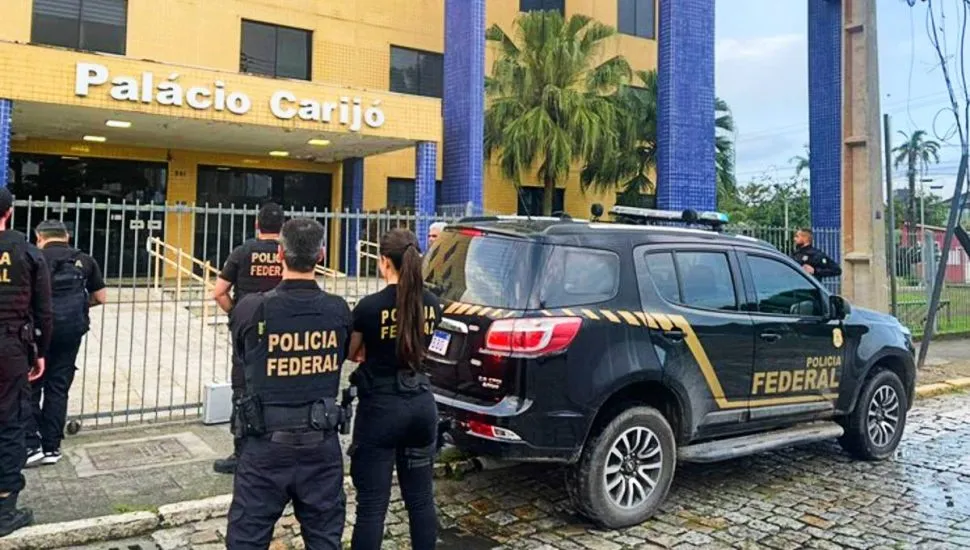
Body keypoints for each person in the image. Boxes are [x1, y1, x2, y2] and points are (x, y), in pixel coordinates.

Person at [225, 218, 352, 550]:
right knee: (325, 539)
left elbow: (243, 354)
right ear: (321, 255)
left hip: (265, 448)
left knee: (246, 540)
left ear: (280, 254)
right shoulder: (338, 310)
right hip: (320, 446)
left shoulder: (253, 308)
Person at [347, 228, 443, 550]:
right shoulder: (432, 303)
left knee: (372, 506)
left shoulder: (369, 307)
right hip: (421, 406)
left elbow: (352, 351)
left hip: (381, 410)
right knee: (420, 501)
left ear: (385, 262)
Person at [211, 202, 285, 474]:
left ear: (257, 224)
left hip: (248, 331)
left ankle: (241, 453)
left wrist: (235, 314)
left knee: (243, 389)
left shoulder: (242, 252)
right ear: (282, 227)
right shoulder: (286, 253)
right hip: (281, 330)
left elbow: (219, 292)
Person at [25, 220, 107, 467]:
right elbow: (101, 297)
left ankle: (32, 444)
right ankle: (52, 447)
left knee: (30, 386)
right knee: (58, 387)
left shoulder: (31, 257)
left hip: (38, 333)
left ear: (39, 236)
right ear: (67, 236)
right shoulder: (84, 260)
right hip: (71, 332)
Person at [0, 188, 52, 537]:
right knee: (9, 422)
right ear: (10, 212)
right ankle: (4, 508)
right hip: (9, 348)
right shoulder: (29, 253)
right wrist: (41, 352)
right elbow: (44, 312)